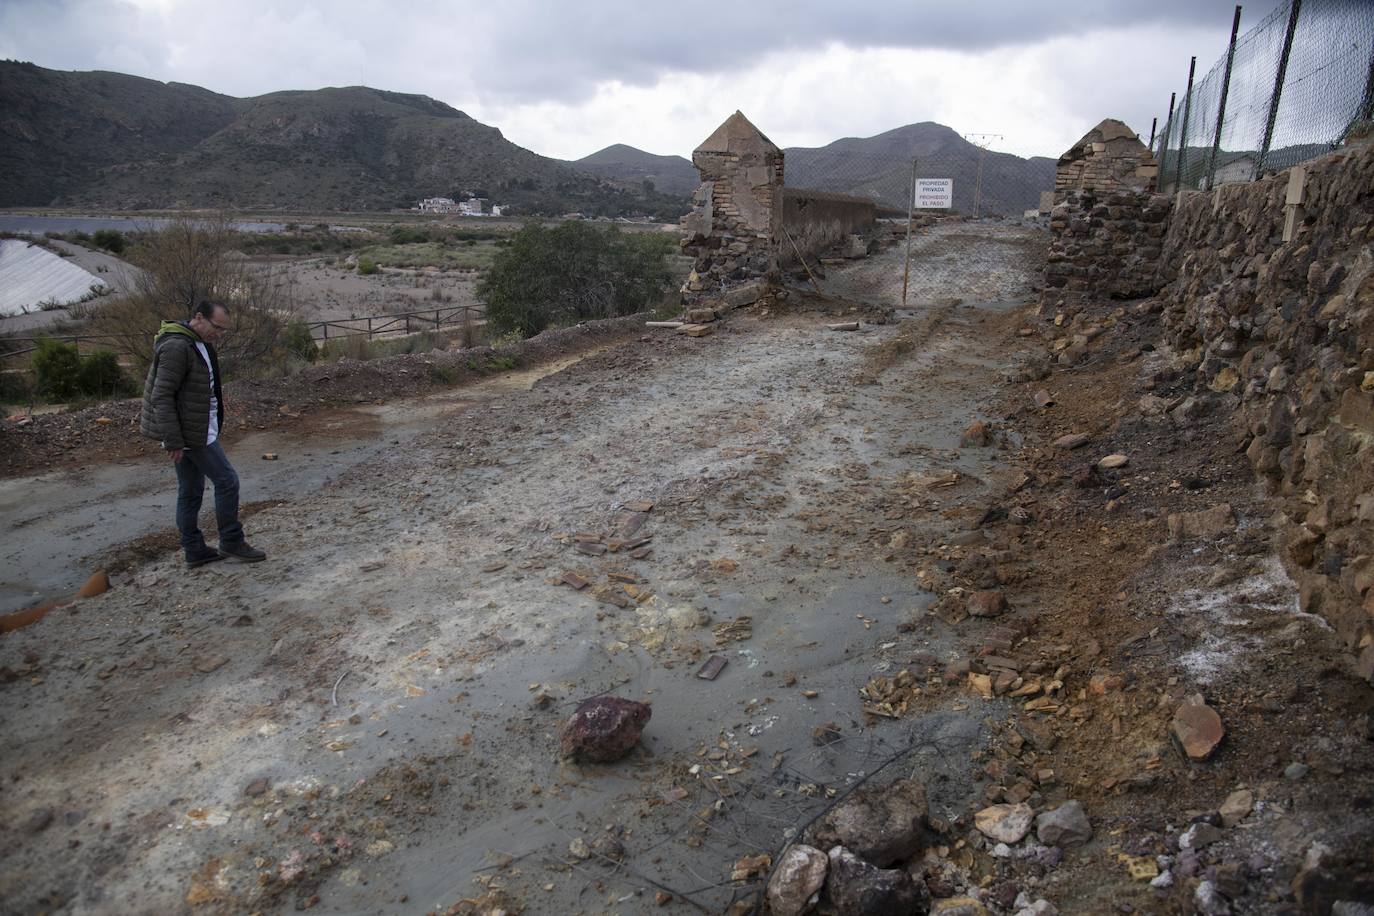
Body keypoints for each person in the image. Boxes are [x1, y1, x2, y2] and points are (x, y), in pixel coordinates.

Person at [140, 300, 266, 567]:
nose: (219, 335)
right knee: (227, 481)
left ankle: (194, 550)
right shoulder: (176, 346)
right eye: (217, 327)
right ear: (199, 317)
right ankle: (231, 540)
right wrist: (173, 440)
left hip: (195, 427)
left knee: (190, 490)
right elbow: (161, 395)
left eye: (223, 331)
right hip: (189, 433)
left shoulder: (197, 343)